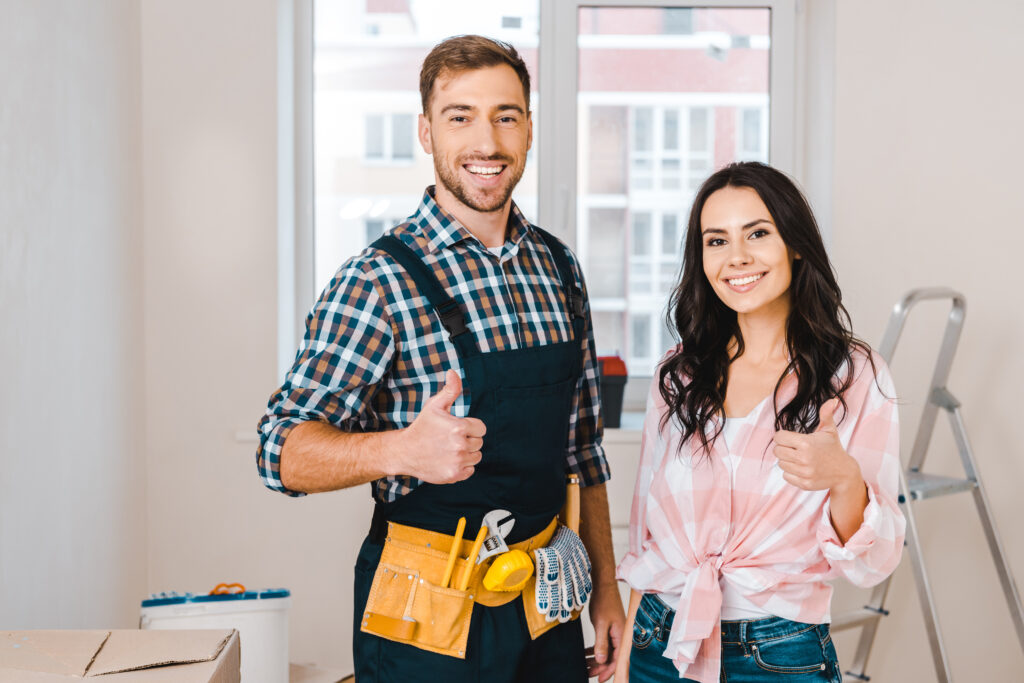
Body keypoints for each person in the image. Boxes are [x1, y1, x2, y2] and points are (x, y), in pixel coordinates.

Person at [256, 35, 624, 683]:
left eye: (506, 116)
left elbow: (582, 451)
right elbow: (278, 451)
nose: (487, 141)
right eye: (461, 117)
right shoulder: (377, 281)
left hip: (546, 609)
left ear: (529, 129)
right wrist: (399, 449)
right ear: (426, 133)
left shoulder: (559, 268)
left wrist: (607, 589)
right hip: (426, 621)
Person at [614, 162, 906, 683]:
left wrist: (843, 478)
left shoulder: (854, 375)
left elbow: (873, 561)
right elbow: (648, 539)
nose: (737, 257)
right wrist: (622, 666)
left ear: (795, 244)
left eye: (757, 233)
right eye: (716, 241)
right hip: (657, 643)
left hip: (779, 654)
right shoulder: (678, 374)